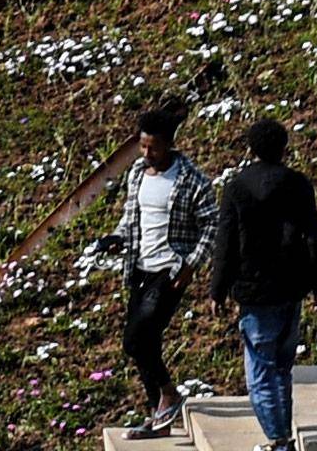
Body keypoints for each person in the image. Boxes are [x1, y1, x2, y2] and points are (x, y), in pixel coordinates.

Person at [208, 114, 317, 443]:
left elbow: (226, 243)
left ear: (251, 148)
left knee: (261, 371)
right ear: (284, 148)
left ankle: (279, 439)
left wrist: (217, 290)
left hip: (255, 292)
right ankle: (282, 434)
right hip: (291, 289)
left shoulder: (236, 187)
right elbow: (312, 238)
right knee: (281, 367)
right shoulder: (299, 184)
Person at [118, 98, 210, 435]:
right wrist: (115, 239)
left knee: (137, 338)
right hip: (139, 268)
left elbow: (211, 226)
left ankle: (169, 395)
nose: (146, 154)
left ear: (169, 144)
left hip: (169, 272)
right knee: (144, 344)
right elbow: (131, 218)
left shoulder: (191, 180)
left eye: (153, 148)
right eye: (142, 146)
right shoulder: (137, 174)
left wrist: (191, 265)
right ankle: (159, 413)